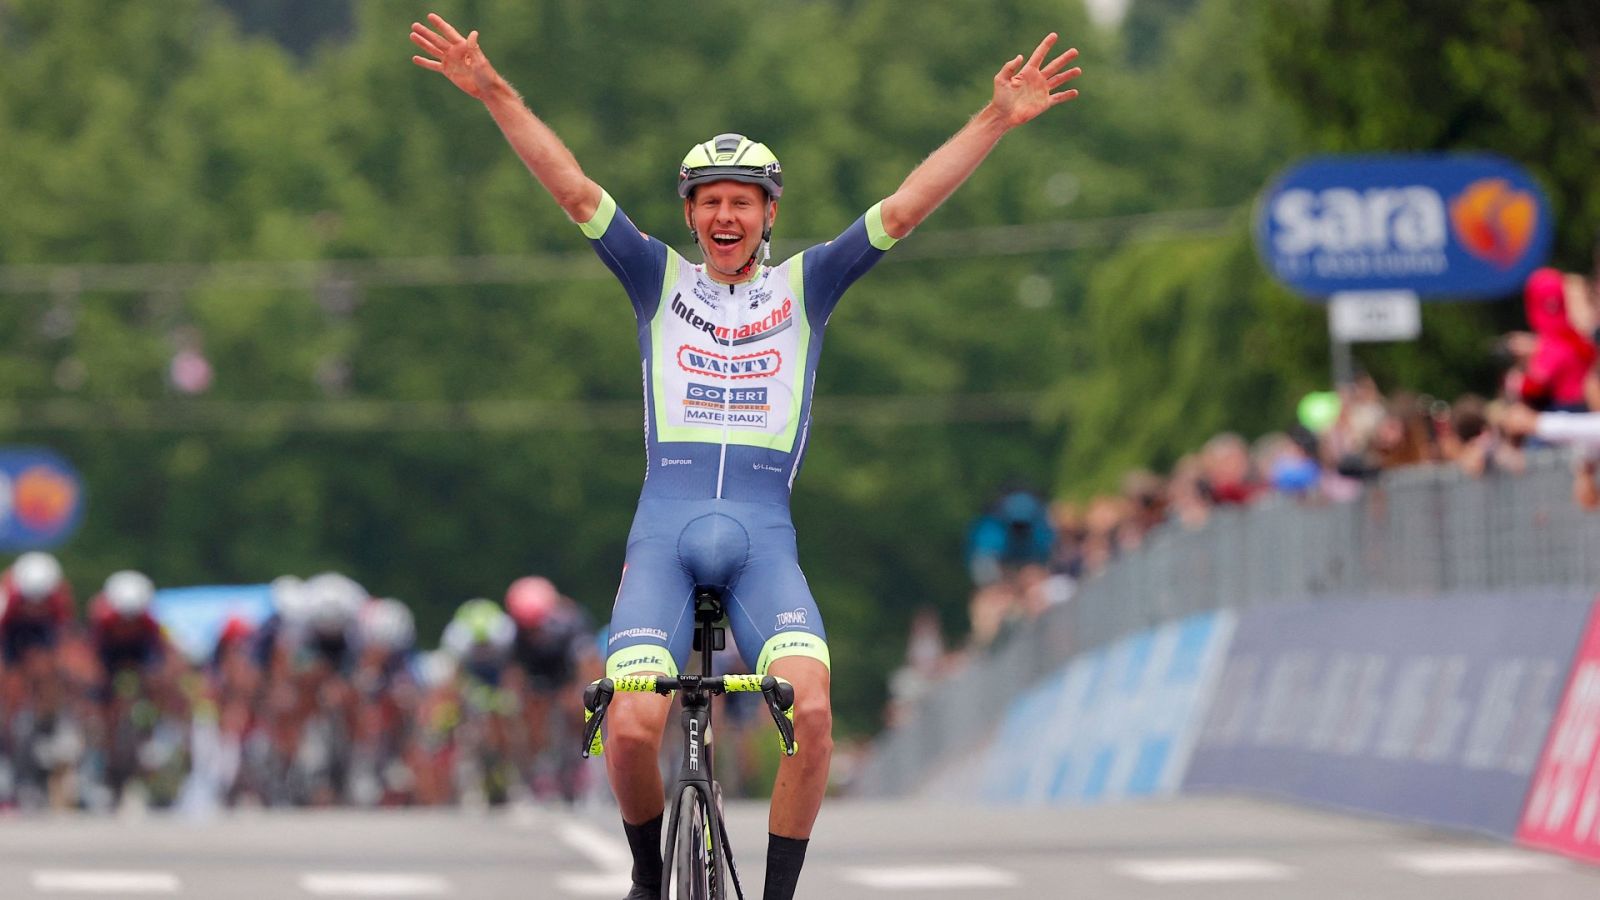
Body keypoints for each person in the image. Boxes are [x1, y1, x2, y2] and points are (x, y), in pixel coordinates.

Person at [411, 13, 1081, 899]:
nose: (726, 214)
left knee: (813, 712)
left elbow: (907, 207)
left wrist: (992, 120)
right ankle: (648, 881)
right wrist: (493, 88)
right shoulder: (656, 280)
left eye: (743, 200)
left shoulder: (809, 285)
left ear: (768, 214)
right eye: (710, 200)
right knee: (637, 729)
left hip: (763, 533)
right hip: (667, 528)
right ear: (690, 215)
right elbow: (572, 188)